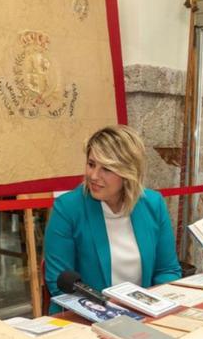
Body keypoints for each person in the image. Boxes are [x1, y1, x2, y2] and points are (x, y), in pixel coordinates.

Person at [44, 125, 182, 313]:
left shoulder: (153, 203)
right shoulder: (67, 208)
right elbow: (59, 284)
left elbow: (167, 271)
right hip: (86, 317)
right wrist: (107, 314)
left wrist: (157, 307)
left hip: (144, 314)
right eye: (91, 164)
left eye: (106, 169)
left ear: (128, 172)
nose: (93, 176)